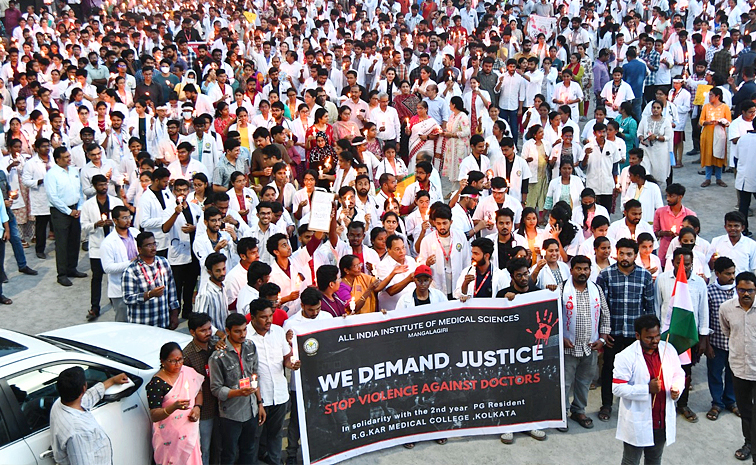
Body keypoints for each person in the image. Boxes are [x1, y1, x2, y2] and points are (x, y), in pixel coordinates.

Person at [613, 314, 685, 465]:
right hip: (638, 420)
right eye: (649, 338)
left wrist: (676, 388)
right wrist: (646, 389)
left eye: (657, 336)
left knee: (654, 459)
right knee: (631, 461)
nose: (655, 341)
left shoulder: (668, 349)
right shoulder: (626, 356)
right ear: (638, 335)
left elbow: (678, 373)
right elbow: (618, 388)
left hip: (661, 419)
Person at [597, 238, 656, 422]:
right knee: (609, 370)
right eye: (621, 253)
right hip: (613, 334)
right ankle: (607, 405)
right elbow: (601, 307)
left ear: (635, 256)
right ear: (616, 253)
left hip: (635, 335)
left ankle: (633, 406)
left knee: (637, 371)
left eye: (629, 254)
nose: (625, 257)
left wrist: (648, 336)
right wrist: (604, 332)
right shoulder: (605, 275)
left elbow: (649, 307)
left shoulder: (644, 277)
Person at [655, 247, 710, 423]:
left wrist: (703, 337)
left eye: (686, 264)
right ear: (672, 263)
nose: (683, 267)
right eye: (679, 263)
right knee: (662, 371)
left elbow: (703, 310)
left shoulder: (699, 283)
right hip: (666, 336)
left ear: (691, 263)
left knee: (685, 372)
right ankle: (662, 404)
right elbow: (657, 305)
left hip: (687, 335)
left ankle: (683, 404)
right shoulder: (663, 279)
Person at [557, 255, 610, 431]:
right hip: (568, 347)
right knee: (564, 382)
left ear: (590, 270)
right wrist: (560, 338)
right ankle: (562, 413)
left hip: (590, 346)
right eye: (578, 269)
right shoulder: (561, 289)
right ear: (571, 270)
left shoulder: (596, 289)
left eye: (585, 269)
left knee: (584, 381)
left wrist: (602, 339)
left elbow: (605, 315)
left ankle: (579, 410)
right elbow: (552, 317)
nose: (582, 272)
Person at [246, 298, 300, 465]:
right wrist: (259, 400)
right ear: (253, 317)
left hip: (280, 395)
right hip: (256, 399)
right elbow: (248, 373)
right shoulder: (245, 336)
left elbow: (285, 358)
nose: (268, 320)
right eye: (263, 317)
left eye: (270, 316)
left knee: (275, 436)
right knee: (254, 439)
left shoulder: (277, 332)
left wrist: (291, 364)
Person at [283, 287, 333, 463]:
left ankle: (321, 450)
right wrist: (289, 343)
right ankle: (291, 453)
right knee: (297, 419)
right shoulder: (290, 324)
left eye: (318, 309)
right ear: (302, 305)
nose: (315, 313)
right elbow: (285, 354)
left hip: (324, 378)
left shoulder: (327, 318)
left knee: (324, 415)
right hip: (301, 381)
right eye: (311, 310)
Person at [209, 312, 265, 465]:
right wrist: (237, 393)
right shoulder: (218, 357)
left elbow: (255, 375)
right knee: (229, 453)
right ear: (227, 331)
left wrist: (260, 403)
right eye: (237, 331)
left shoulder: (250, 346)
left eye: (245, 330)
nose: (242, 335)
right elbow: (216, 389)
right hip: (231, 415)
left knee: (249, 450)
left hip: (251, 409)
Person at [50, 367, 130, 465]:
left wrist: (112, 380)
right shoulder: (78, 432)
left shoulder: (60, 403)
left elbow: (90, 396)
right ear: (84, 387)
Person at [146, 342, 205, 465]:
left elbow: (198, 392)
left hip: (189, 433)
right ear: (163, 361)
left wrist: (197, 408)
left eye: (180, 359)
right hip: (169, 438)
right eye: (173, 361)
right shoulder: (156, 384)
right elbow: (154, 415)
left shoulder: (188, 372)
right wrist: (173, 407)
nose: (178, 364)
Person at [80, 174, 124, 321]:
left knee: (115, 275)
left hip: (114, 245)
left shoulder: (116, 201)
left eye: (105, 184)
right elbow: (84, 226)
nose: (104, 187)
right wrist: (95, 225)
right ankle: (95, 307)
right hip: (97, 246)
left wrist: (115, 223)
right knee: (97, 277)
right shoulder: (88, 205)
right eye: (100, 185)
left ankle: (116, 300)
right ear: (94, 186)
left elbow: (124, 219)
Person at [183, 313, 224, 465]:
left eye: (209, 329)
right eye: (203, 330)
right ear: (192, 332)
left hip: (220, 406)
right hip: (204, 409)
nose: (208, 333)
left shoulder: (216, 345)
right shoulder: (187, 355)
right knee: (203, 449)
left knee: (219, 447)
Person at [45, 146, 87, 287]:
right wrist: (68, 211)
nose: (69, 159)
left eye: (69, 156)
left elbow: (79, 191)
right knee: (62, 243)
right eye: (66, 157)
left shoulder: (74, 171)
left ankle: (72, 268)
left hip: (75, 208)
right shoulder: (52, 174)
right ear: (58, 159)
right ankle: (61, 274)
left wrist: (79, 208)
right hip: (60, 212)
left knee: (74, 240)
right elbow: (53, 197)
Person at [121, 231, 180, 329]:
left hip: (163, 323)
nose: (153, 248)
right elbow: (127, 298)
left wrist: (174, 314)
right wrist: (149, 295)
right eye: (148, 245)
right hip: (143, 325)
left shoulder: (163, 262)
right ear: (139, 249)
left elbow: (172, 290)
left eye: (154, 244)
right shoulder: (131, 270)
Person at [706, 256, 739, 422]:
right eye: (727, 274)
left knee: (733, 374)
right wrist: (706, 344)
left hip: (736, 344)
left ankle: (731, 401)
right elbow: (706, 318)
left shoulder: (740, 291)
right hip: (717, 343)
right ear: (717, 273)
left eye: (733, 273)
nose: (732, 277)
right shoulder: (710, 291)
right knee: (715, 373)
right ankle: (717, 403)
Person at [417, 203, 471, 298]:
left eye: (445, 223)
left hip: (457, 283)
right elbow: (420, 265)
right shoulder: (427, 240)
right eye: (438, 223)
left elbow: (466, 261)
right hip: (437, 285)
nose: (442, 227)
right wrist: (427, 263)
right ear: (434, 222)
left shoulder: (460, 237)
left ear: (451, 222)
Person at [699, 87, 731, 188]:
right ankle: (707, 178)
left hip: (719, 134)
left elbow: (729, 121)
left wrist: (722, 122)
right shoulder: (706, 107)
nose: (709, 97)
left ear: (718, 96)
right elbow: (701, 120)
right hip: (708, 134)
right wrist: (707, 122)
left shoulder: (725, 107)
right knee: (708, 155)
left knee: (718, 156)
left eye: (711, 95)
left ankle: (719, 178)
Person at [195, 252, 229, 331]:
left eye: (223, 269)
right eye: (218, 271)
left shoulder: (223, 286)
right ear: (209, 272)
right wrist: (217, 333)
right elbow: (200, 321)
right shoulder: (205, 294)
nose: (222, 273)